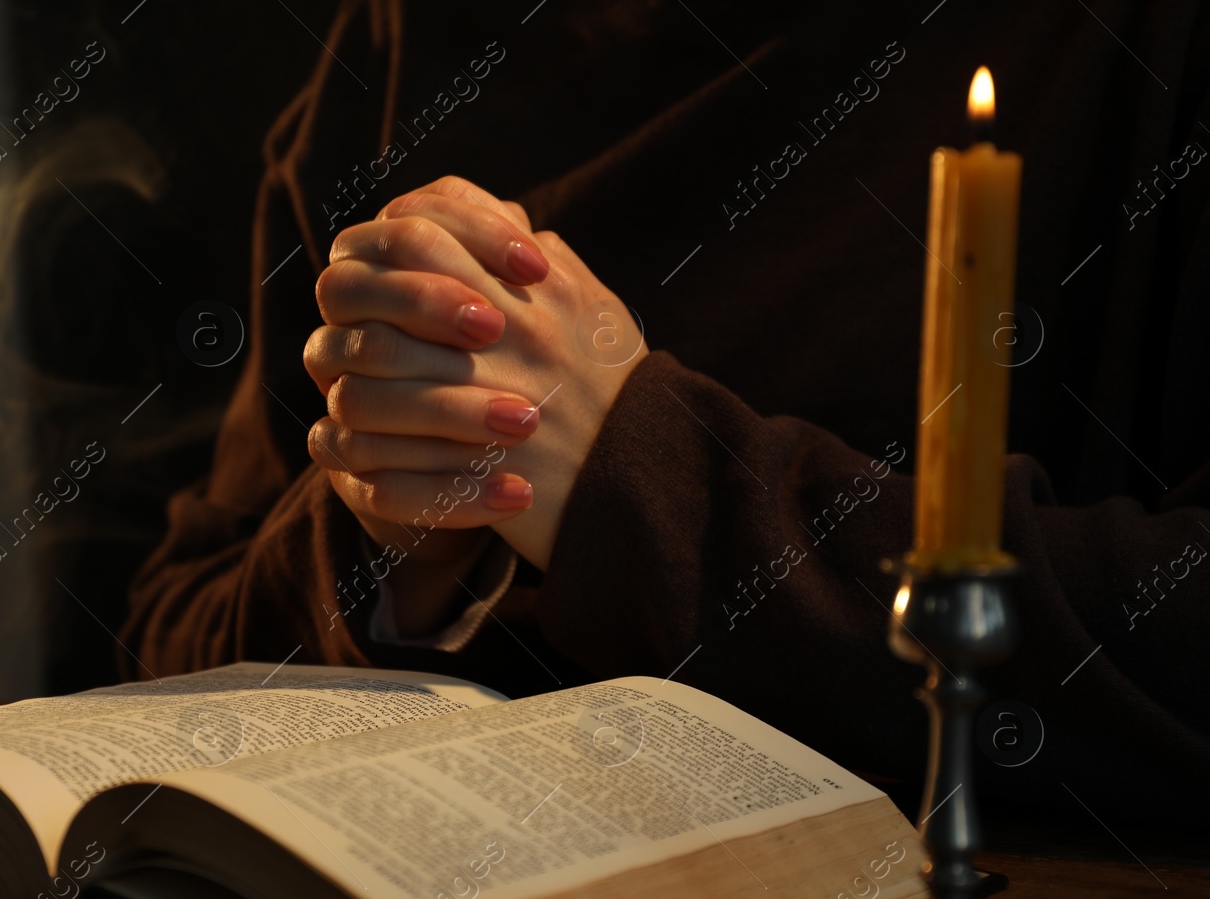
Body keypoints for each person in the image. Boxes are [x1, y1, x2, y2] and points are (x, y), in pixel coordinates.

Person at [122, 0, 1210, 821]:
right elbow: (175, 641)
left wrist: (635, 468)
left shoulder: (1129, 48)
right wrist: (386, 539)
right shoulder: (398, 39)